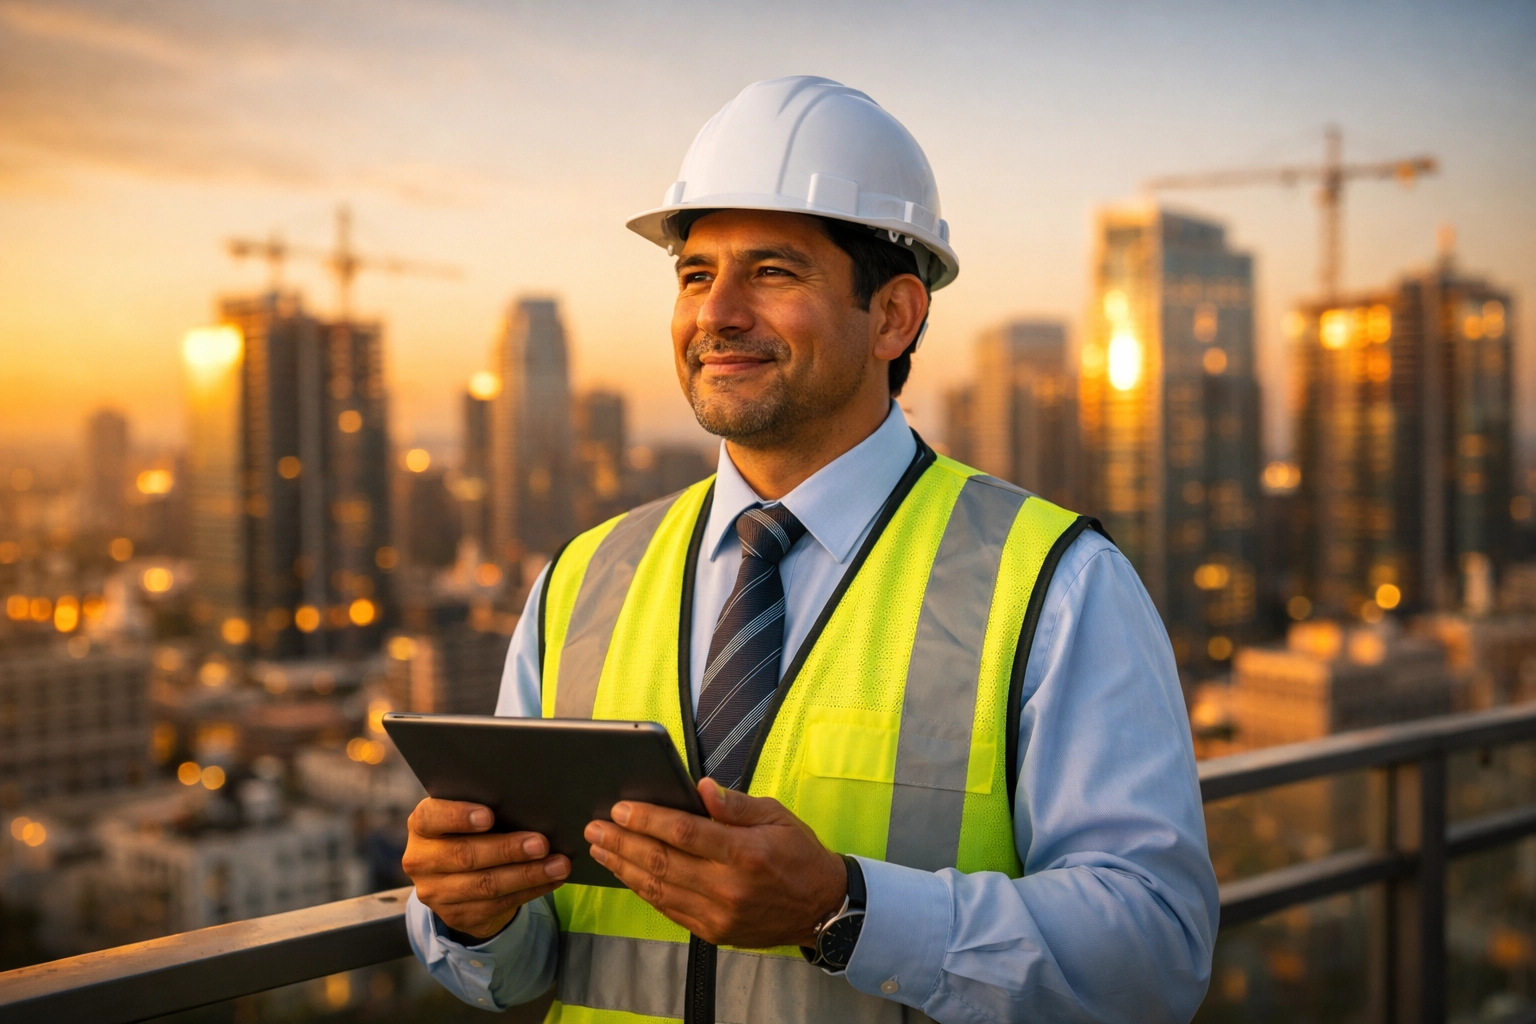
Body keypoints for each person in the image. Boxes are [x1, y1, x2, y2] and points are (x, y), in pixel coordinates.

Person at [402, 76, 1218, 1023]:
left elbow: (1156, 954)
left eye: (774, 272)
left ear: (894, 318)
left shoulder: (1055, 584)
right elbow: (520, 970)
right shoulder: (582, 579)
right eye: (696, 273)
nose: (718, 313)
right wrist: (471, 916)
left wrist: (844, 910)